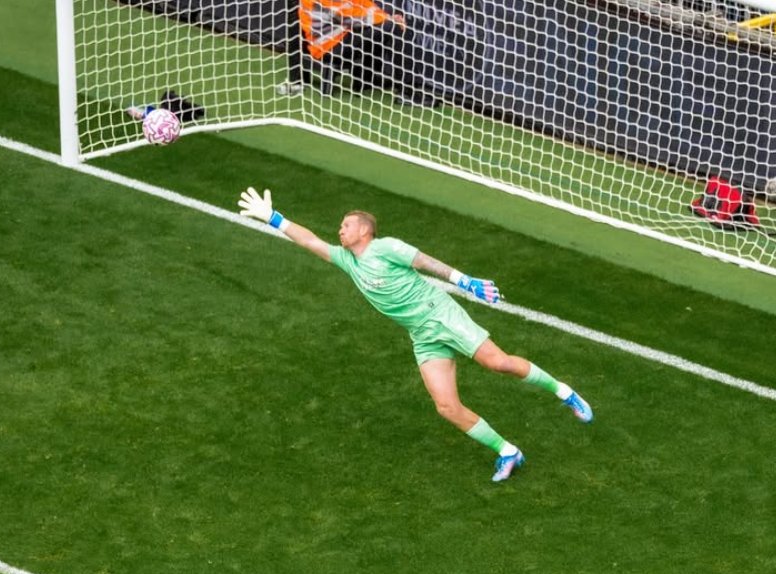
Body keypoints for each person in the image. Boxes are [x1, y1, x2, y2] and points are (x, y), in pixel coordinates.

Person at [236, 187, 593, 482]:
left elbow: (424, 261)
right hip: (421, 334)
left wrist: (463, 281)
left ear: (364, 230)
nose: (339, 229)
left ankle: (565, 392)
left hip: (441, 314)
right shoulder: (349, 261)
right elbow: (311, 241)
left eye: (346, 225)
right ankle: (507, 451)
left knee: (497, 363)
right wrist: (273, 217)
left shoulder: (385, 247)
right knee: (446, 407)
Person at [279, 0, 437, 106]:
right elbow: (343, 17)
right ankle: (408, 91)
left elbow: (364, 4)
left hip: (344, 35)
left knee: (390, 21)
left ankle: (368, 80)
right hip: (329, 45)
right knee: (390, 27)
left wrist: (387, 16)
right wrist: (385, 19)